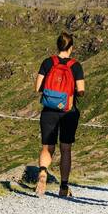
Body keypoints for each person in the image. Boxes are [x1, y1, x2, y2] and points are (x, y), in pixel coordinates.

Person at [34, 32, 85, 198]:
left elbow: (37, 87)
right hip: (68, 111)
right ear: (71, 48)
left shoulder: (48, 62)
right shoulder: (75, 66)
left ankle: (42, 173)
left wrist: (51, 93)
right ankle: (63, 186)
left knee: (47, 146)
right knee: (65, 148)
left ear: (58, 45)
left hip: (49, 110)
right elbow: (81, 90)